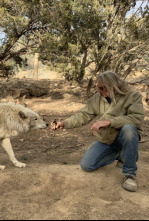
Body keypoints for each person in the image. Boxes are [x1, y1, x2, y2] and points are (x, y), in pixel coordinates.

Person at [50, 71, 144, 192]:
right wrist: (64, 123)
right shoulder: (98, 97)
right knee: (87, 165)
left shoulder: (132, 95)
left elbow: (136, 118)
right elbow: (83, 115)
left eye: (101, 88)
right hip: (108, 138)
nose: (98, 91)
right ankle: (122, 154)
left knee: (129, 129)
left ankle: (129, 174)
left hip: (125, 137)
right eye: (97, 87)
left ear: (112, 86)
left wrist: (109, 122)